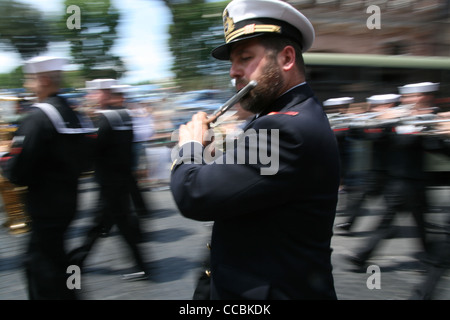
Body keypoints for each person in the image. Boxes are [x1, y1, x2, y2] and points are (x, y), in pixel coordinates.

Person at [170, 0, 340, 300]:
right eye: (233, 62)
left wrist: (189, 146)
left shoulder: (285, 129)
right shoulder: (289, 116)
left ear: (287, 58)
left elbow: (194, 194)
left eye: (245, 58)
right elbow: (242, 180)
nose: (233, 72)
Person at [0, 56, 96, 299]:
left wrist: (3, 154)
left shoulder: (37, 117)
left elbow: (16, 173)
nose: (27, 84)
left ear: (42, 80)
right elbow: (86, 162)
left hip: (44, 210)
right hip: (68, 206)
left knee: (42, 273)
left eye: (29, 79)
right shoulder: (76, 116)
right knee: (54, 266)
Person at [347, 83, 439, 270]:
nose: (406, 101)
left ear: (423, 97)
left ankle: (428, 257)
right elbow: (371, 137)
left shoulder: (428, 119)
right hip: (400, 182)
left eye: (411, 97)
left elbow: (433, 146)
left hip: (415, 182)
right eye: (405, 98)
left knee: (419, 222)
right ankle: (362, 256)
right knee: (391, 222)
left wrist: (428, 130)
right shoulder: (397, 120)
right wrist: (377, 121)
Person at [69, 79, 149, 281]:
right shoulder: (124, 115)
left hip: (109, 182)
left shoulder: (105, 119)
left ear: (105, 94)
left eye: (96, 93)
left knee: (115, 225)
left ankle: (141, 266)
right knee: (102, 224)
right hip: (120, 180)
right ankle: (78, 259)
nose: (93, 97)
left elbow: (93, 150)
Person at [335, 94, 400, 233]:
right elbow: (358, 135)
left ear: (388, 105)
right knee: (363, 196)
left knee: (392, 203)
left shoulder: (396, 120)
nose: (373, 109)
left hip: (394, 170)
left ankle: (388, 228)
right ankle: (350, 223)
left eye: (376, 106)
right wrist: (355, 124)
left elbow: (376, 136)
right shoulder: (377, 120)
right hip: (377, 168)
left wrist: (379, 123)